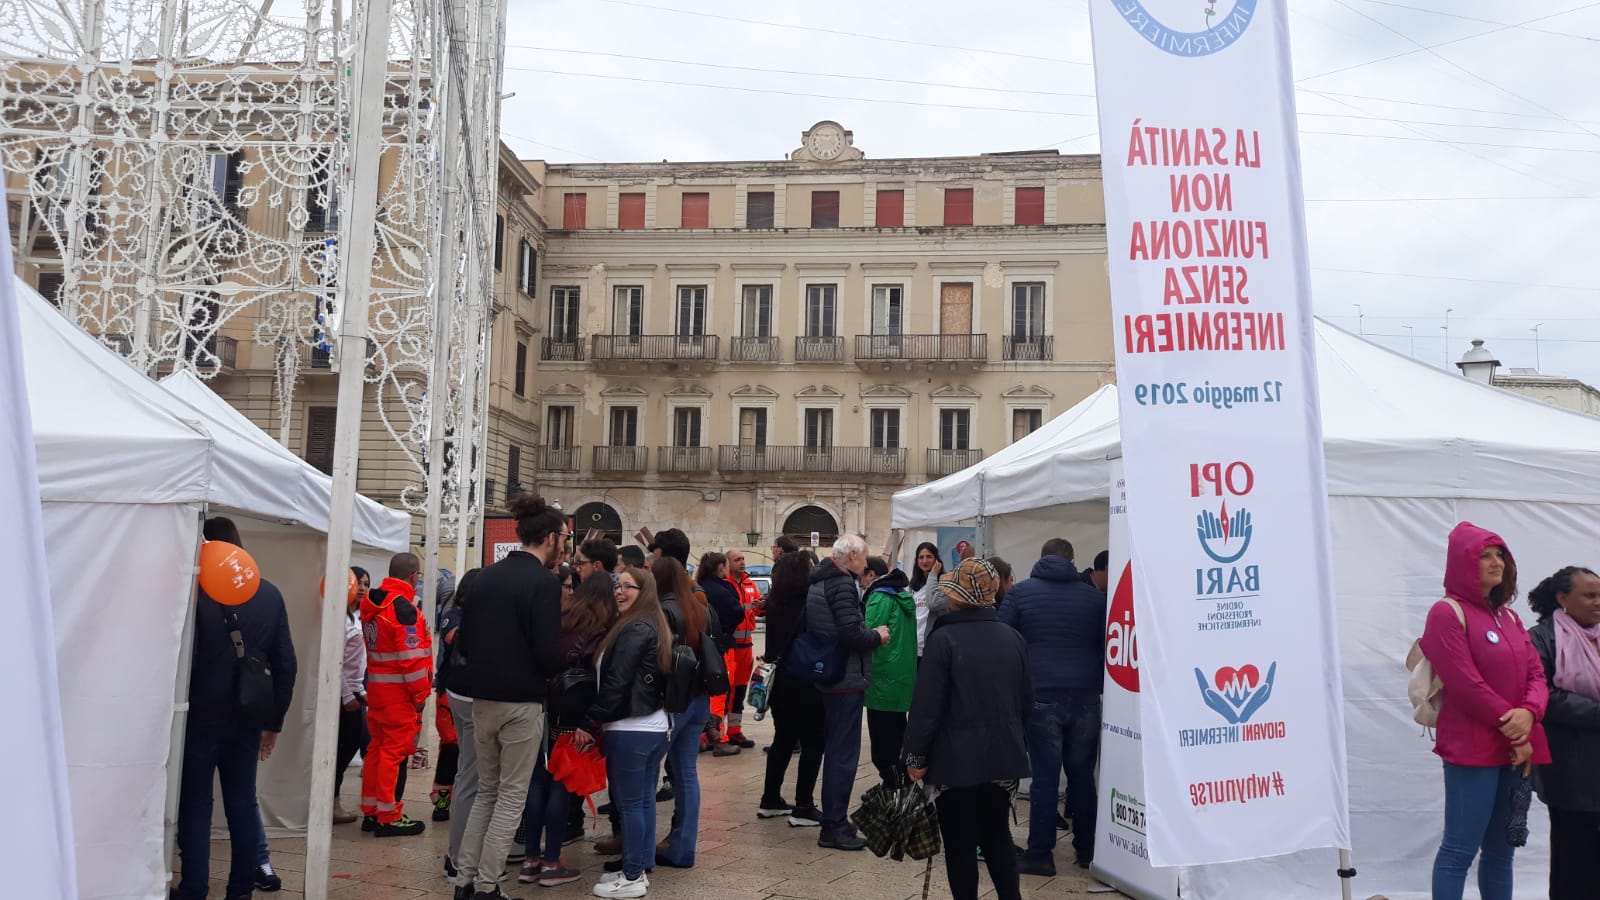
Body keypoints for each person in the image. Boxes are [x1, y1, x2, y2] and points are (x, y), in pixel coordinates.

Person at [1420, 522, 1548, 900]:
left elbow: (1536, 674)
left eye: (1500, 555)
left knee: (1501, 852)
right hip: (1473, 748)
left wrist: (1530, 712)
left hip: (1515, 748)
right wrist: (1518, 726)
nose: (1496, 563)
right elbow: (1464, 683)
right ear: (1463, 563)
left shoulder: (1508, 618)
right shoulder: (1446, 613)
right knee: (1459, 849)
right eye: (1485, 556)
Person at [448, 494, 566, 900]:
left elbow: (466, 640)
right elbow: (549, 653)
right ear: (550, 538)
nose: (565, 545)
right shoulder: (544, 583)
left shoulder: (485, 578)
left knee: (487, 791)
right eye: (564, 537)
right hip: (522, 702)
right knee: (511, 797)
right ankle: (487, 886)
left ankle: (465, 881)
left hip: (482, 699)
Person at [175, 517, 297, 900]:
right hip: (248, 713)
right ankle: (240, 888)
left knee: (195, 803)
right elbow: (286, 663)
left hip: (200, 713)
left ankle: (194, 887)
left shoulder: (193, 591)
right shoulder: (269, 594)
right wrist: (274, 720)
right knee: (242, 802)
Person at [905, 557, 1030, 900]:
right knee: (997, 836)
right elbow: (1026, 701)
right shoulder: (1013, 637)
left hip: (954, 759)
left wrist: (915, 755)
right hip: (1001, 757)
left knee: (959, 843)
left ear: (958, 596)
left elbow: (927, 706)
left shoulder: (944, 639)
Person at [1000, 538, 1106, 875]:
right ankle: (1088, 851)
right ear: (1073, 562)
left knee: (1045, 779)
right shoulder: (1096, 598)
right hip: (1086, 697)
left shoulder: (1020, 594)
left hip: (1041, 695)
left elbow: (1002, 639)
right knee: (1083, 778)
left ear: (1041, 559)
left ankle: (1041, 854)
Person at [574, 567, 674, 899]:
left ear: (643, 591)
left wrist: (590, 722)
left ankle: (632, 876)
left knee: (631, 804)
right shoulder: (649, 624)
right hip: (651, 727)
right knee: (642, 801)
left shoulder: (634, 629)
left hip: (630, 728)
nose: (619, 591)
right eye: (617, 586)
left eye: (628, 586)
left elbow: (616, 685)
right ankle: (640, 866)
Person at [520, 571, 616, 887]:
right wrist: (590, 723)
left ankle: (531, 858)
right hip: (575, 722)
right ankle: (551, 862)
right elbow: (603, 684)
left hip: (544, 715)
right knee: (561, 786)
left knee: (538, 784)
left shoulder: (559, 623)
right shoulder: (603, 634)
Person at [805, 534, 889, 850]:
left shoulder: (819, 581)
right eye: (864, 556)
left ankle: (835, 820)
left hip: (830, 676)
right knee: (843, 755)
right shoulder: (840, 583)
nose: (867, 563)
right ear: (851, 554)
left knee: (837, 752)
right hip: (845, 679)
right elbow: (851, 632)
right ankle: (834, 825)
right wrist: (877, 636)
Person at [1527, 566, 1600, 899]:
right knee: (1574, 858)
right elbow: (1544, 697)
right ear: (1562, 598)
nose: (1598, 602)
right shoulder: (1542, 638)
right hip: (1571, 770)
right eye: (1590, 595)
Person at [356, 552, 433, 838]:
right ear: (414, 576)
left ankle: (372, 810)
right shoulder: (403, 609)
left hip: (377, 690)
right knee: (392, 753)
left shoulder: (374, 603)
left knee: (377, 749)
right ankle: (388, 815)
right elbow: (411, 660)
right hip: (399, 694)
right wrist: (420, 694)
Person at [654, 557, 717, 868]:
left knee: (647, 772)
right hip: (699, 699)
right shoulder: (701, 609)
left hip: (672, 701)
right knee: (687, 773)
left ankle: (637, 850)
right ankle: (683, 848)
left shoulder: (663, 610)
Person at [758, 551, 825, 825]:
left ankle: (770, 798)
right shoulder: (808, 602)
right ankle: (803, 805)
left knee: (783, 739)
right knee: (814, 742)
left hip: (779, 681)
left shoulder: (774, 602)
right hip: (804, 679)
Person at [437, 569, 481, 880]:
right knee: (469, 775)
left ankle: (461, 856)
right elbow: (454, 640)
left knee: (469, 774)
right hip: (463, 698)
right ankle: (459, 860)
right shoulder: (456, 614)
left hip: (460, 696)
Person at [864, 560, 916, 789]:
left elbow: (868, 634)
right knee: (897, 732)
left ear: (871, 574)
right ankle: (902, 778)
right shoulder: (903, 597)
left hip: (881, 677)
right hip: (901, 676)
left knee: (882, 740)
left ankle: (893, 784)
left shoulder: (879, 598)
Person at [333, 566, 371, 825]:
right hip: (341, 694)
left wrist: (362, 691)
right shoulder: (340, 619)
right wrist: (347, 694)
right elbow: (335, 662)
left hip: (356, 690)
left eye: (366, 584)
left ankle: (333, 798)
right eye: (358, 583)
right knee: (344, 747)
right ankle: (331, 800)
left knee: (355, 743)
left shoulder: (358, 618)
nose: (362, 588)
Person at [697, 552, 744, 756]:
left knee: (704, 694)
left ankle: (701, 737)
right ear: (720, 567)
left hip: (703, 647)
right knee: (720, 692)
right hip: (721, 647)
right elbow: (737, 613)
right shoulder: (721, 590)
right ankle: (719, 738)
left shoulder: (698, 587)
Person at [721, 550, 762, 749]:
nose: (742, 562)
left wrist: (764, 605)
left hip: (747, 648)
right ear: (727, 563)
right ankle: (717, 733)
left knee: (739, 691)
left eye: (743, 559)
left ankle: (735, 731)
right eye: (737, 560)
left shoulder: (749, 583)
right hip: (731, 648)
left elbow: (758, 607)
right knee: (724, 692)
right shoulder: (725, 585)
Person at [432, 570, 463, 822]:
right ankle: (442, 800)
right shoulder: (452, 615)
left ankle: (462, 798)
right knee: (451, 746)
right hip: (449, 692)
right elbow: (453, 639)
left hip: (469, 692)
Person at [908, 542, 942, 658]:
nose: (924, 561)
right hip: (913, 644)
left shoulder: (943, 582)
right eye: (921, 557)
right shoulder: (913, 584)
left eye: (929, 557)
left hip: (931, 643)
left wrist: (933, 575)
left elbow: (933, 604)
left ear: (936, 559)